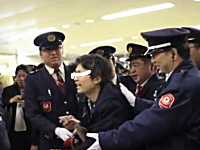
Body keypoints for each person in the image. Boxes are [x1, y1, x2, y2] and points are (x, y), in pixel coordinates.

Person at [86, 28, 200, 150]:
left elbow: (154, 122)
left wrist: (108, 139)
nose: (153, 60)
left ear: (173, 54)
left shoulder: (181, 84)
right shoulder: (184, 77)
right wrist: (136, 103)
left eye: (156, 54)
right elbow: (166, 112)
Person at [59, 54, 133, 150]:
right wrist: (77, 126)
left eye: (80, 74)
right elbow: (89, 135)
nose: (75, 79)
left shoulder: (112, 103)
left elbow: (96, 142)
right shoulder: (87, 100)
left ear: (97, 78)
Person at [24, 31, 79, 150]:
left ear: (62, 51)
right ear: (41, 54)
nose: (53, 53)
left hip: (78, 137)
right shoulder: (34, 79)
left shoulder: (76, 73)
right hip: (51, 141)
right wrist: (55, 130)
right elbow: (32, 113)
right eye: (48, 50)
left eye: (57, 48)